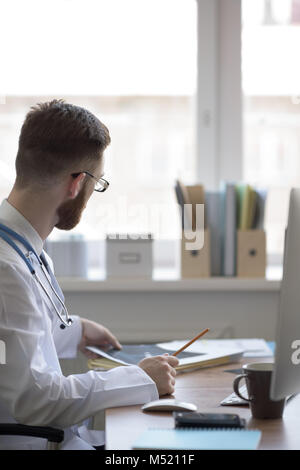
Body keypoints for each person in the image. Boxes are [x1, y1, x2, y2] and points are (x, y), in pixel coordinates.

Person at [0, 100, 179, 450]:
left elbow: (18, 338)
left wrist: (77, 332)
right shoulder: (6, 268)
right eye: (96, 184)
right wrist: (139, 378)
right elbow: (35, 399)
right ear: (76, 183)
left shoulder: (22, 247)